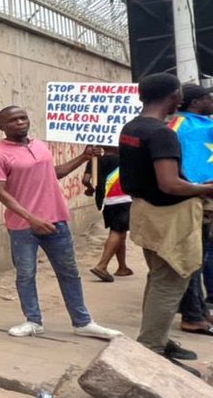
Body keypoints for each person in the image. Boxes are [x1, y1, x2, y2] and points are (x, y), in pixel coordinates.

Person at [0, 105, 121, 340]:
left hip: (56, 220)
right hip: (23, 226)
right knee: (26, 274)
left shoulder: (39, 146)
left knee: (69, 272)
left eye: (23, 117)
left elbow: (54, 173)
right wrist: (31, 218)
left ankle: (82, 322)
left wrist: (84, 157)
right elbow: (1, 193)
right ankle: (33, 321)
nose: (20, 122)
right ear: (1, 126)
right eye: (13, 120)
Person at [118, 72, 213, 372]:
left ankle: (156, 337)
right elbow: (170, 184)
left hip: (145, 212)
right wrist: (205, 189)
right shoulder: (162, 133)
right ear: (175, 97)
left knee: (158, 278)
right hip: (169, 216)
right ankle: (152, 349)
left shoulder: (132, 127)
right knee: (170, 282)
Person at [168, 83, 213, 335]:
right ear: (195, 102)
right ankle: (193, 315)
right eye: (208, 98)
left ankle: (199, 310)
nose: (212, 102)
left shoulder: (183, 124)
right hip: (197, 197)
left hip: (196, 195)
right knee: (194, 258)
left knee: (198, 256)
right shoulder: (189, 127)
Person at [82, 151, 132, 282]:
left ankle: (122, 267)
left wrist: (90, 189)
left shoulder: (95, 160)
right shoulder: (125, 158)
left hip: (106, 202)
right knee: (117, 232)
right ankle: (102, 266)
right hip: (123, 199)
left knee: (120, 231)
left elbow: (85, 180)